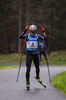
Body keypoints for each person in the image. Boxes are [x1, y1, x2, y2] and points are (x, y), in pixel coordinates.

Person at [19, 25, 45, 89]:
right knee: (28, 69)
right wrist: (25, 30)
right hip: (29, 54)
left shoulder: (37, 36)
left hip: (35, 54)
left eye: (34, 31)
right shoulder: (27, 36)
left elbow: (45, 38)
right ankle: (27, 82)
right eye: (32, 31)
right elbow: (20, 36)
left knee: (37, 68)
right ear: (30, 31)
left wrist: (43, 32)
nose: (33, 33)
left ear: (35, 31)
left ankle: (37, 77)